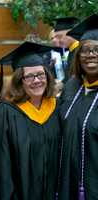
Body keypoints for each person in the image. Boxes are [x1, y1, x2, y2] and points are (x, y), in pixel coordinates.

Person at [0, 42, 61, 200]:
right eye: (29, 76)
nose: (37, 80)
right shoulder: (4, 113)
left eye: (41, 74)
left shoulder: (56, 107)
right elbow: (1, 165)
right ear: (19, 80)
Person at [58, 14, 98, 200]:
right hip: (69, 183)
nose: (91, 54)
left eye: (97, 49)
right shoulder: (71, 88)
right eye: (85, 50)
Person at [53, 17, 80, 81]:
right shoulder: (72, 50)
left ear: (71, 34)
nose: (57, 41)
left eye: (59, 37)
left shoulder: (80, 52)